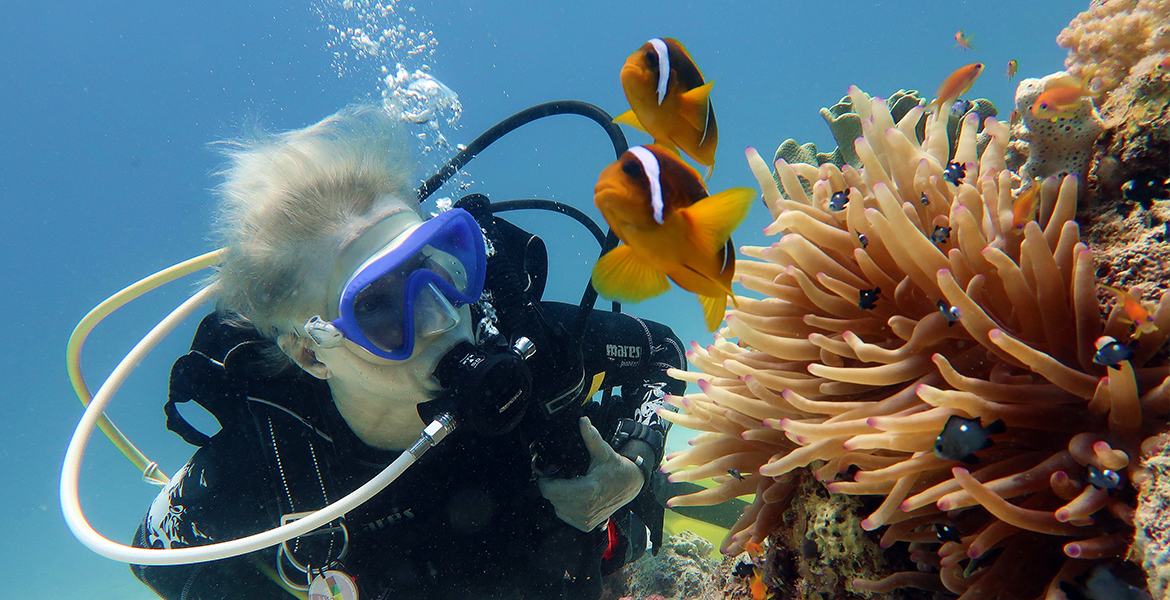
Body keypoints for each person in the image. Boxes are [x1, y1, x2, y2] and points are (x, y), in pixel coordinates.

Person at [130, 105, 686, 600]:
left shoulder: (526, 342)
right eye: (376, 305)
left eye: (438, 263)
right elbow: (156, 555)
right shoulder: (273, 453)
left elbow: (663, 352)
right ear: (310, 354)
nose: (443, 316)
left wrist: (635, 464)